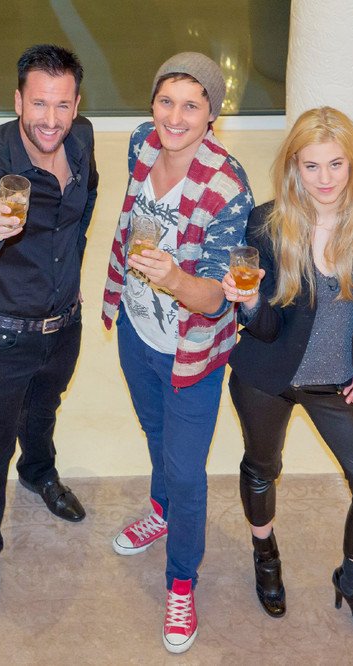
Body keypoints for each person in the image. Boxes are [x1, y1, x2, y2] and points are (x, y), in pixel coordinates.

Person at [222, 106, 353, 638]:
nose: (324, 179)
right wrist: (249, 304)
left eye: (336, 164)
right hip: (266, 375)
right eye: (311, 166)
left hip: (339, 382)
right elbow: (267, 327)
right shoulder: (268, 222)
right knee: (262, 468)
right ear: (294, 165)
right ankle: (265, 555)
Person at [101, 52, 252, 654]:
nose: (175, 117)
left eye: (192, 105)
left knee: (187, 472)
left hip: (192, 353)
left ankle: (182, 581)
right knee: (156, 434)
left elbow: (215, 299)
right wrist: (135, 291)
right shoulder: (140, 143)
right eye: (166, 101)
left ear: (213, 115)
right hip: (137, 331)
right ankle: (160, 511)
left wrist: (173, 277)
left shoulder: (227, 187)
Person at [0, 44, 98, 621]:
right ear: (17, 101)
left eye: (62, 105)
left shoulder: (81, 139)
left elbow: (85, 204)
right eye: (38, 104)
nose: (50, 120)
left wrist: (71, 274)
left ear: (76, 105)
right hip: (1, 336)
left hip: (64, 323)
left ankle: (38, 473)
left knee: (44, 410)